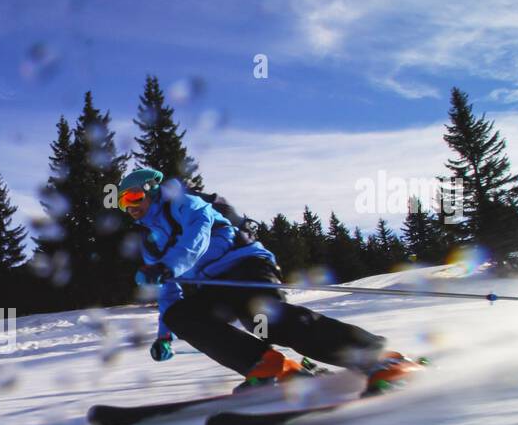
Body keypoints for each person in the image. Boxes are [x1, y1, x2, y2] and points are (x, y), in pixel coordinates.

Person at [117, 167, 419, 393]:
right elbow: (169, 290)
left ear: (152, 189)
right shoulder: (152, 242)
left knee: (263, 318)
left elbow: (199, 239)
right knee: (181, 314)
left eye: (133, 197)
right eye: (122, 204)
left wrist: (170, 265)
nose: (130, 207)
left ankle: (378, 357)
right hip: (215, 286)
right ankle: (270, 366)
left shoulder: (185, 205)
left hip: (246, 265)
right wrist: (164, 335)